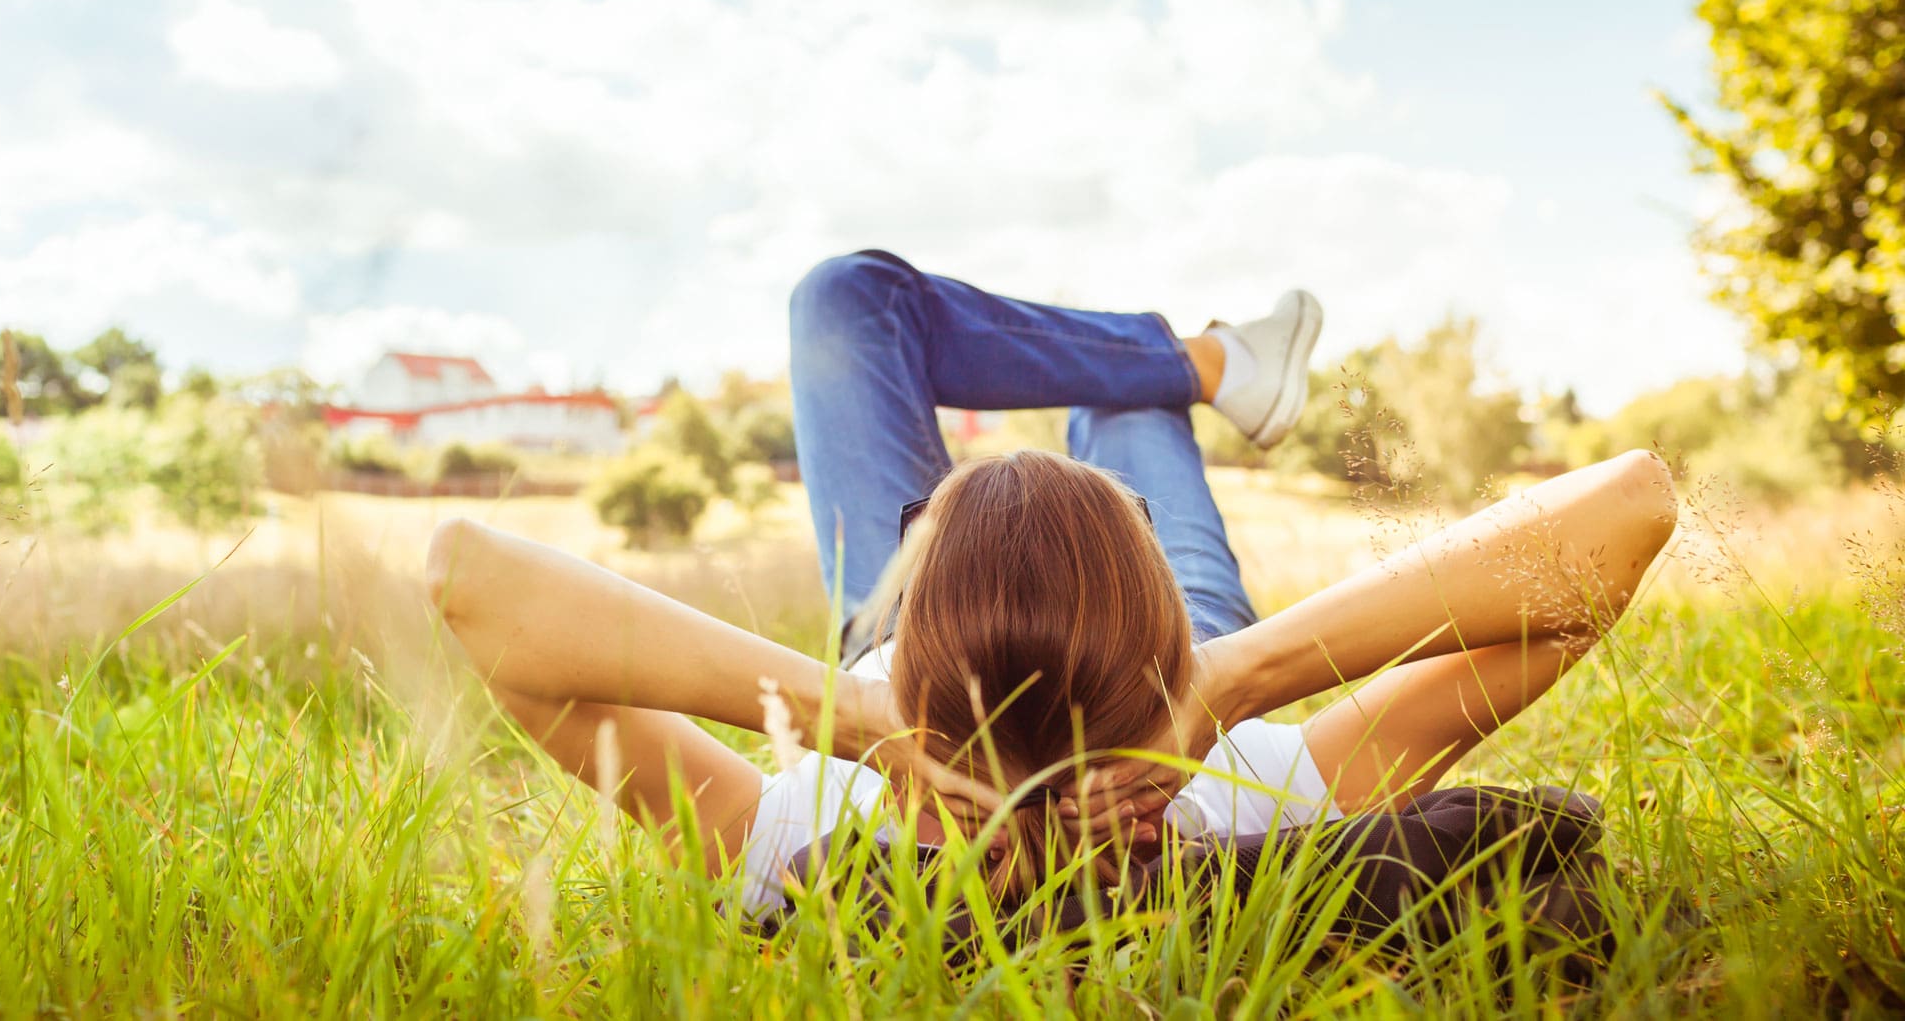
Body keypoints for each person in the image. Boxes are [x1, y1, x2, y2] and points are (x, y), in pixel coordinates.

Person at [428, 250, 1676, 917]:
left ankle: (1183, 365)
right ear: (1169, 644)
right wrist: (1233, 681)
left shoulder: (806, 833)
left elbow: (475, 585)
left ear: (909, 580)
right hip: (1130, 663)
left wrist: (858, 722)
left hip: (973, 664)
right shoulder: (1254, 794)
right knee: (1116, 407)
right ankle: (1167, 371)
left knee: (844, 300)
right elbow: (1623, 517)